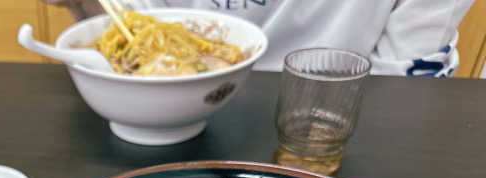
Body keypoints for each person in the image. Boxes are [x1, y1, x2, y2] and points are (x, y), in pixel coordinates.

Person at [44, 0, 473, 76]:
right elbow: (125, 31)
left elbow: (405, 91)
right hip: (160, 117)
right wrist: (80, 5)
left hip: (336, 129)